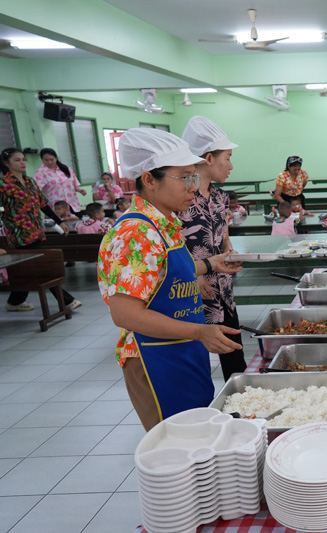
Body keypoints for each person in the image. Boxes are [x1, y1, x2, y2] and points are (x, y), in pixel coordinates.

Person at [97, 128, 243, 431]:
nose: (193, 186)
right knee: (176, 441)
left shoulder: (164, 223)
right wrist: (200, 331)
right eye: (184, 178)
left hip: (181, 347)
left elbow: (164, 273)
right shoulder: (136, 233)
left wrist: (210, 264)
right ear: (150, 180)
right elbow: (125, 314)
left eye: (194, 177)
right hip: (154, 356)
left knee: (196, 433)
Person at [178, 116, 248, 382]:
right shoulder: (181, 197)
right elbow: (172, 242)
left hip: (222, 286)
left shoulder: (220, 197)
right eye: (227, 158)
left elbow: (223, 236)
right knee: (194, 355)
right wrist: (194, 276)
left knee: (233, 352)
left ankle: (240, 397)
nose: (231, 166)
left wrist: (231, 251)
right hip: (190, 288)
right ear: (208, 158)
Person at [0, 147, 82, 312]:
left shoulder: (30, 181)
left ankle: (15, 301)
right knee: (42, 266)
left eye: (23, 159)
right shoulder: (3, 185)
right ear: (6, 163)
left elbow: (43, 205)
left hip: (36, 230)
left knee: (27, 269)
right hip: (19, 234)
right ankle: (66, 300)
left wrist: (60, 222)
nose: (22, 162)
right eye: (17, 160)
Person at [33, 148, 87, 214]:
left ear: (56, 158)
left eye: (51, 159)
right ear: (42, 159)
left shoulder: (65, 169)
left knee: (77, 220)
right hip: (56, 208)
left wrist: (81, 190)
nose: (49, 162)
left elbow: (74, 185)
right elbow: (36, 190)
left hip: (72, 205)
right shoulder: (40, 172)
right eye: (46, 160)